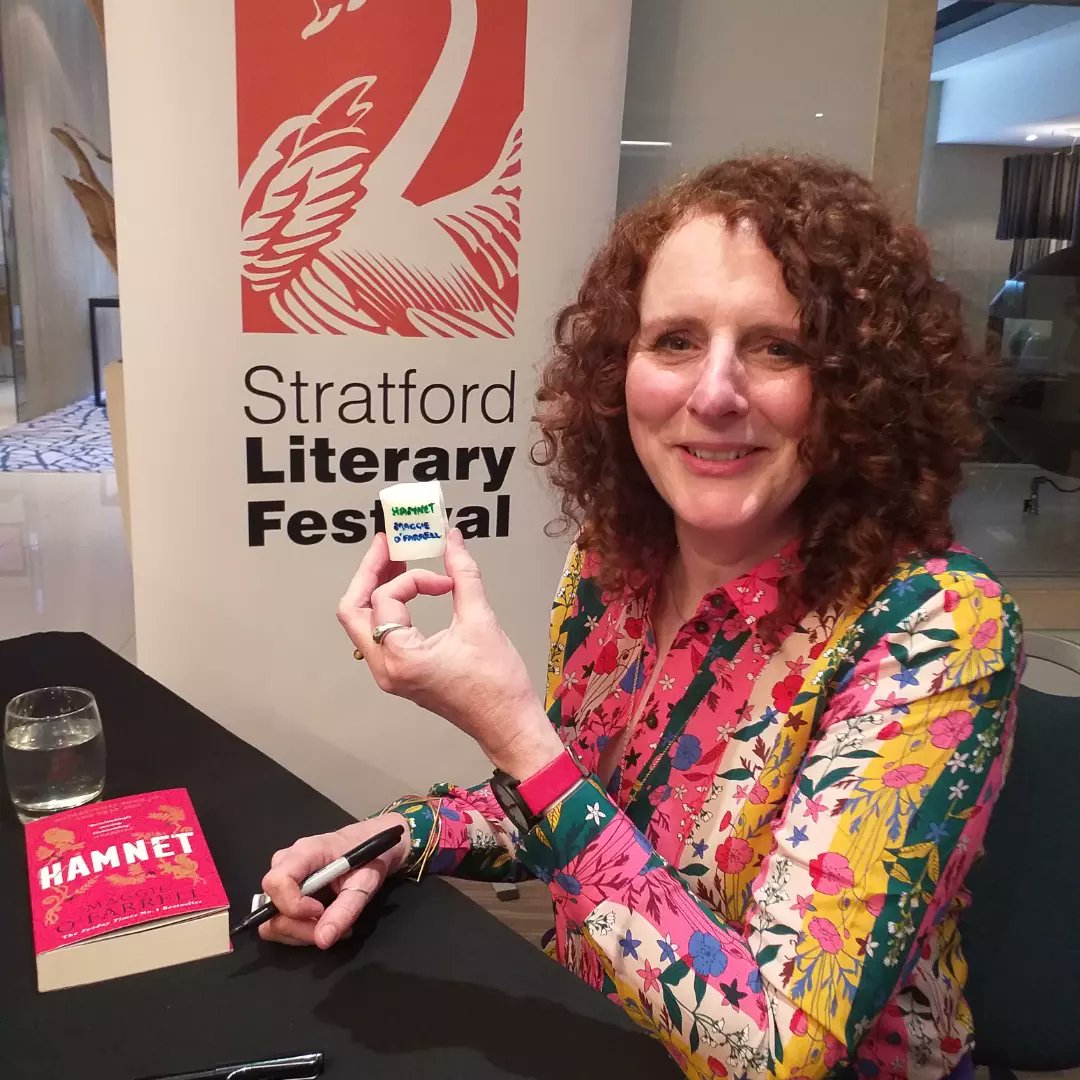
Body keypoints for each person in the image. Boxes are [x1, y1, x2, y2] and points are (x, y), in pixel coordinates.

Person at [260, 155, 1020, 1079]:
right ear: (617, 371)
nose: (714, 393)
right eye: (674, 341)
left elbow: (781, 1055)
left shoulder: (934, 625)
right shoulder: (614, 564)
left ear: (860, 388)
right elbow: (567, 804)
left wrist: (514, 733)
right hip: (592, 1031)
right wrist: (385, 843)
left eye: (778, 347)